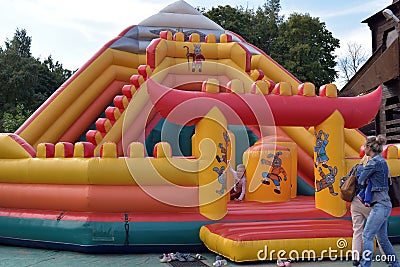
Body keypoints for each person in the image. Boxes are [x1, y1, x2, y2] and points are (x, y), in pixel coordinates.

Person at [358, 135, 399, 267]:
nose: (364, 149)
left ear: (369, 147)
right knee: (382, 238)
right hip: (386, 204)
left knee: (367, 235)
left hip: (379, 205)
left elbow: (361, 180)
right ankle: (395, 264)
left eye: (365, 147)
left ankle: (365, 264)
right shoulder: (382, 161)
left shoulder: (373, 162)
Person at [349, 155, 371, 266]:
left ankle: (355, 258)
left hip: (355, 201)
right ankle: (386, 255)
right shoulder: (373, 168)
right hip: (368, 203)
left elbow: (348, 179)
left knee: (357, 230)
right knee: (379, 230)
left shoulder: (357, 167)